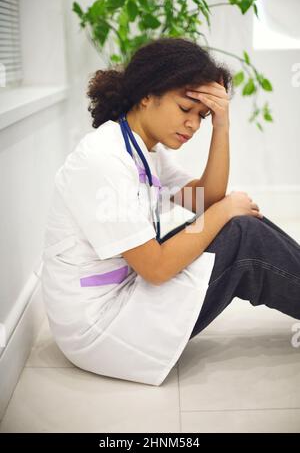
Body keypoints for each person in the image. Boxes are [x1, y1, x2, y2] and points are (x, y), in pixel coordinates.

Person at [41, 37, 300, 387]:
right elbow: (157, 268)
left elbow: (206, 198)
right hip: (101, 331)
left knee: (237, 220)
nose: (193, 124)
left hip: (124, 298)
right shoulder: (103, 159)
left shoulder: (142, 149)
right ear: (148, 94)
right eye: (185, 109)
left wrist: (221, 125)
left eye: (202, 116)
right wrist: (222, 213)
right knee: (241, 232)